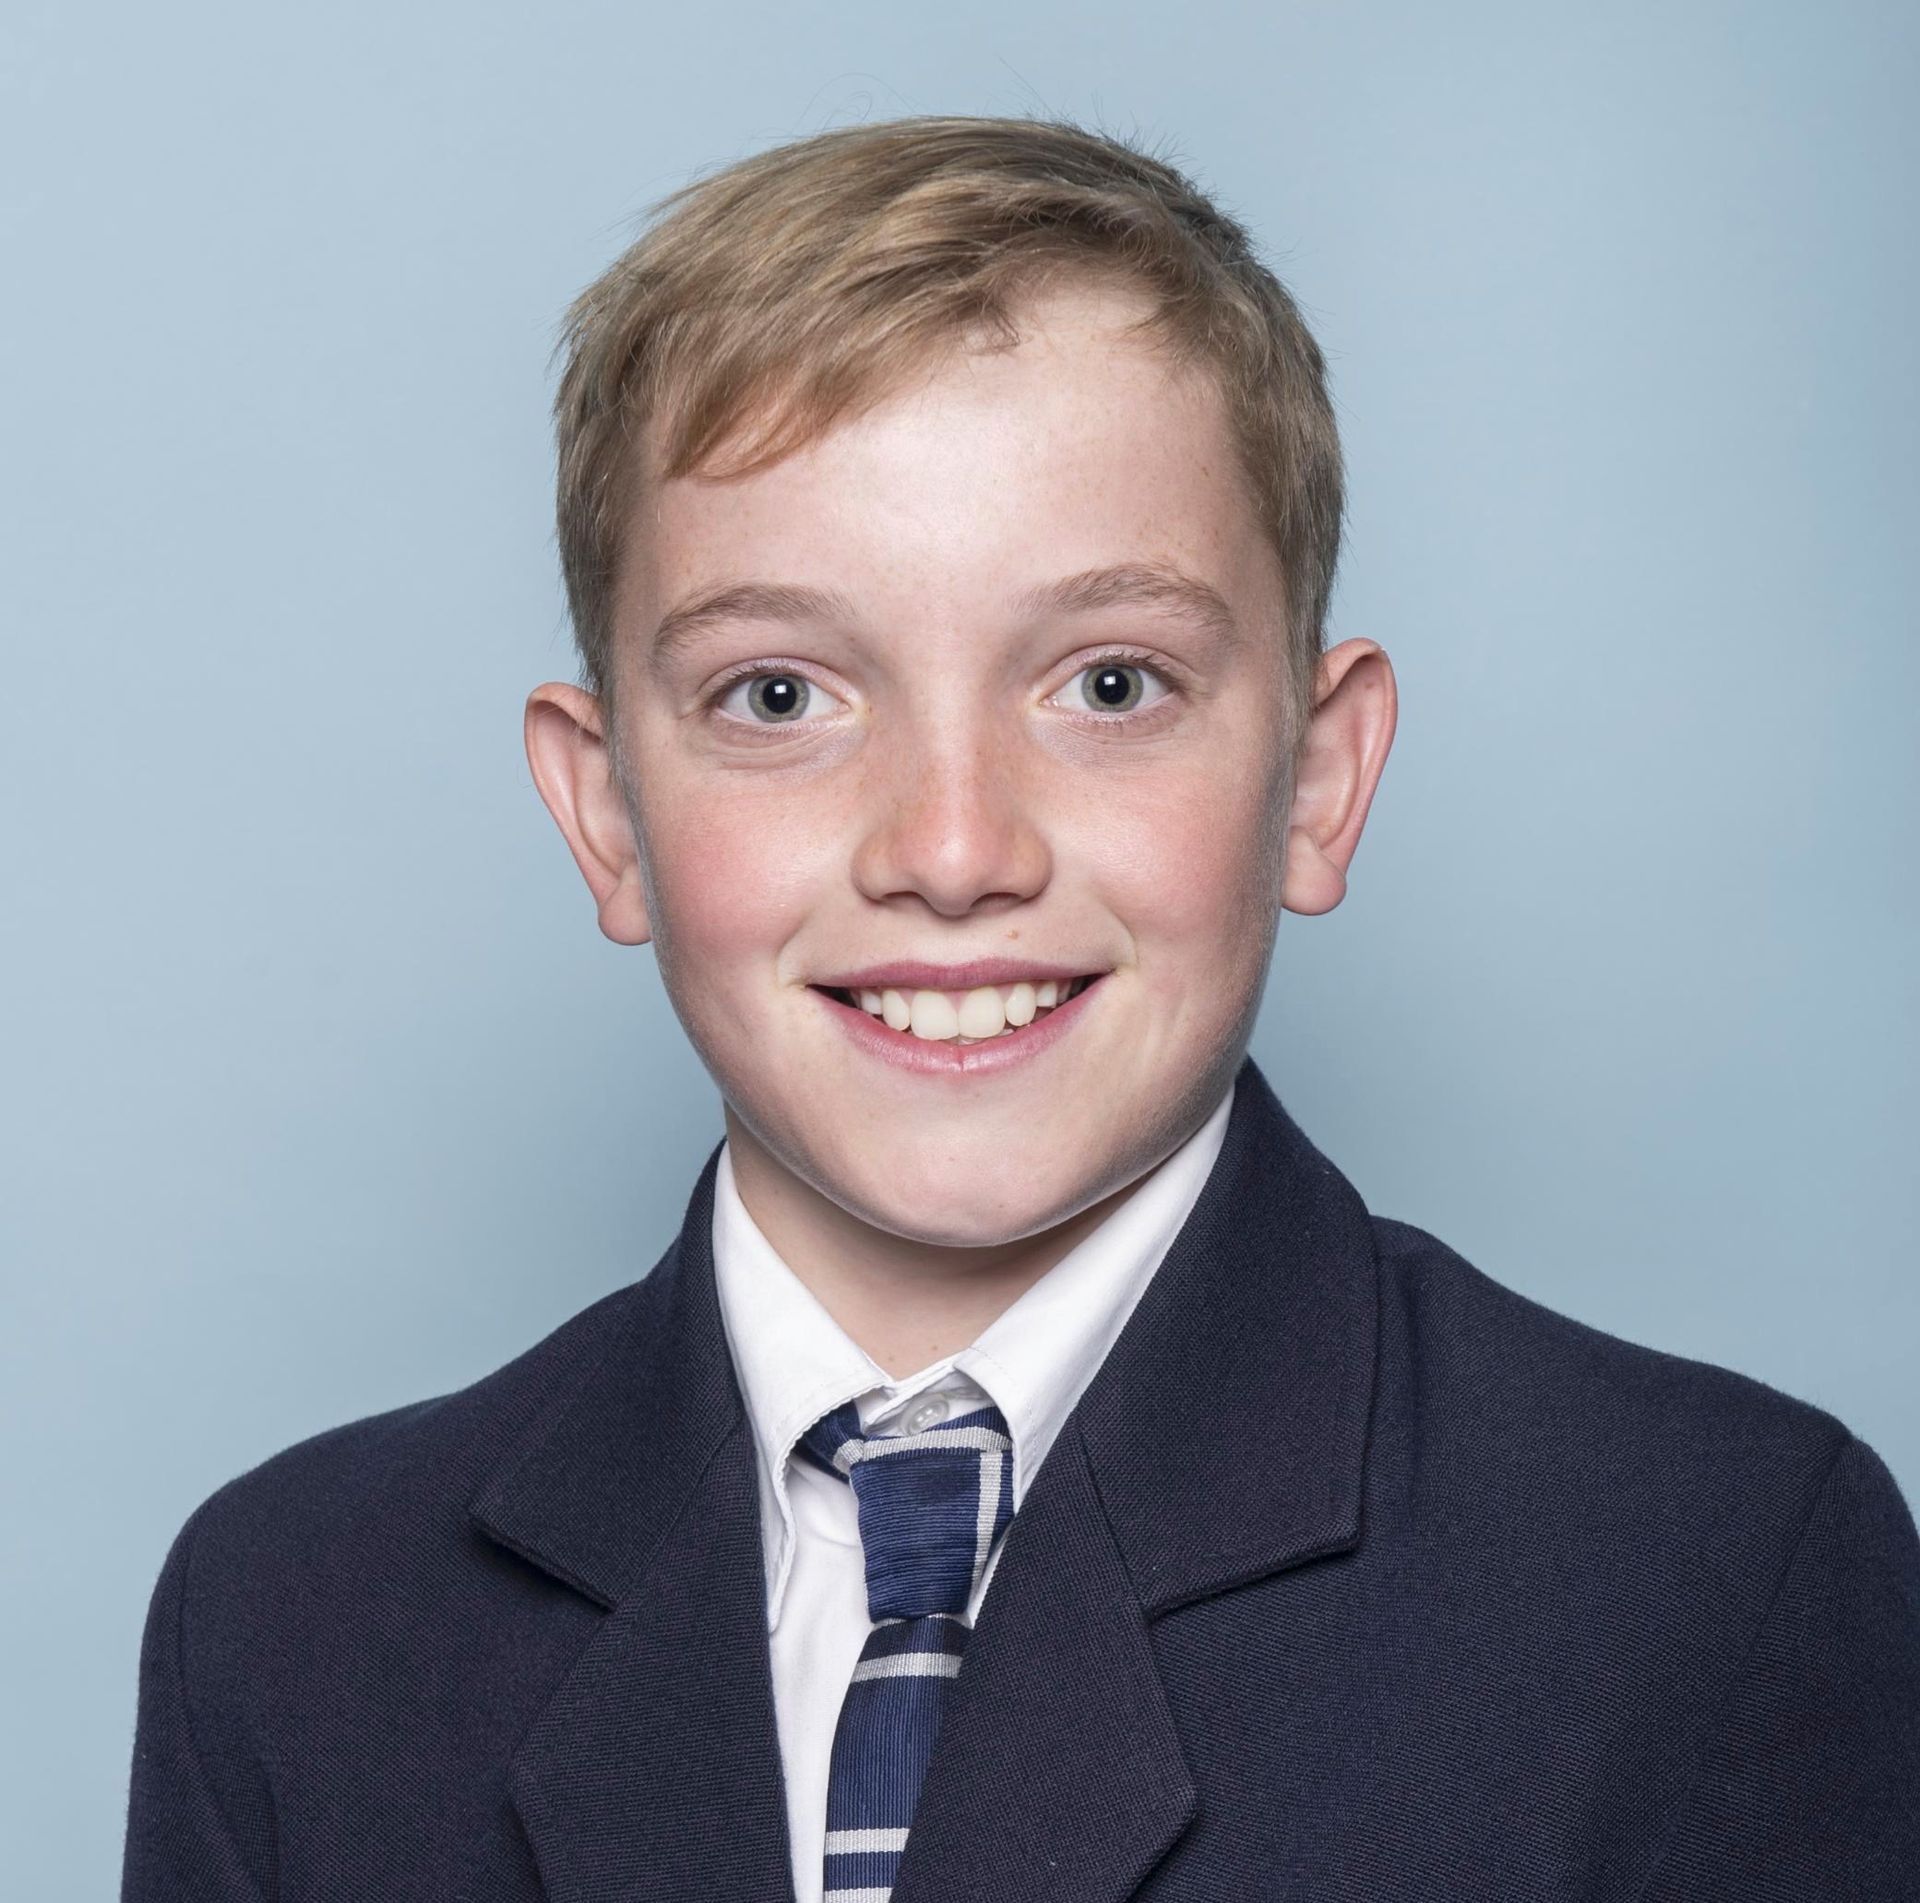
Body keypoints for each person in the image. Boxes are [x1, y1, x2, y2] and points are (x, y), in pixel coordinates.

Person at [120, 115, 1920, 1901]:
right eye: (776, 696)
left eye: (1111, 681)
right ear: (608, 817)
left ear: (1318, 778)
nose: (955, 847)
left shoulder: (1706, 1581)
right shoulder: (290, 1623)